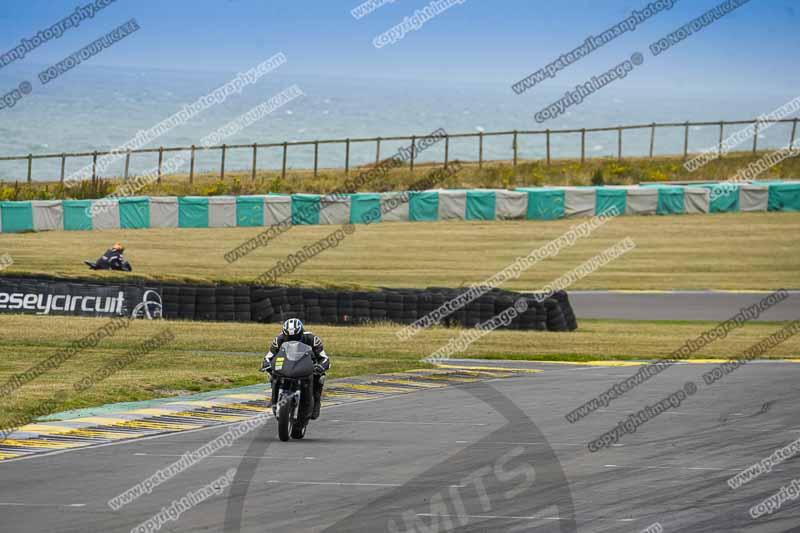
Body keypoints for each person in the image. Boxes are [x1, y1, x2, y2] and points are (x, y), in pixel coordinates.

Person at [260, 318, 330, 419]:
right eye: (288, 337)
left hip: (306, 366)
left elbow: (324, 358)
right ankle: (274, 398)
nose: (292, 340)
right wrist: (267, 364)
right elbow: (269, 356)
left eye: (295, 337)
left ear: (301, 333)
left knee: (320, 377)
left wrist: (320, 367)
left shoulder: (312, 339)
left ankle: (316, 401)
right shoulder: (279, 339)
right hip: (287, 365)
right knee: (272, 375)